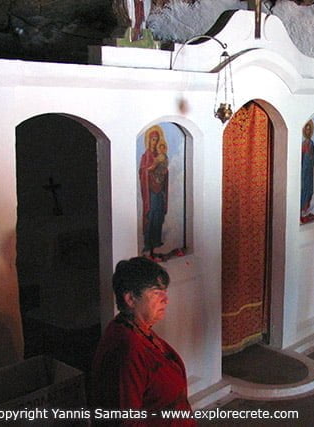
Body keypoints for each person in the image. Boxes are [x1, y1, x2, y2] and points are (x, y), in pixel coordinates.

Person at [90, 257, 195, 425]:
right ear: (130, 299)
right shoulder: (127, 348)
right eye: (156, 293)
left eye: (165, 292)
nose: (165, 300)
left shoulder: (139, 330)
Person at [139, 126, 169, 259]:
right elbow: (143, 171)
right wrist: (152, 167)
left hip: (159, 191)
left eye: (157, 140)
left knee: (158, 215)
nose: (155, 142)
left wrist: (163, 171)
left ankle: (156, 241)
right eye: (153, 140)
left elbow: (164, 171)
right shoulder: (146, 156)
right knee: (150, 215)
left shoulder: (160, 155)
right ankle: (147, 243)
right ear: (149, 140)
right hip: (150, 192)